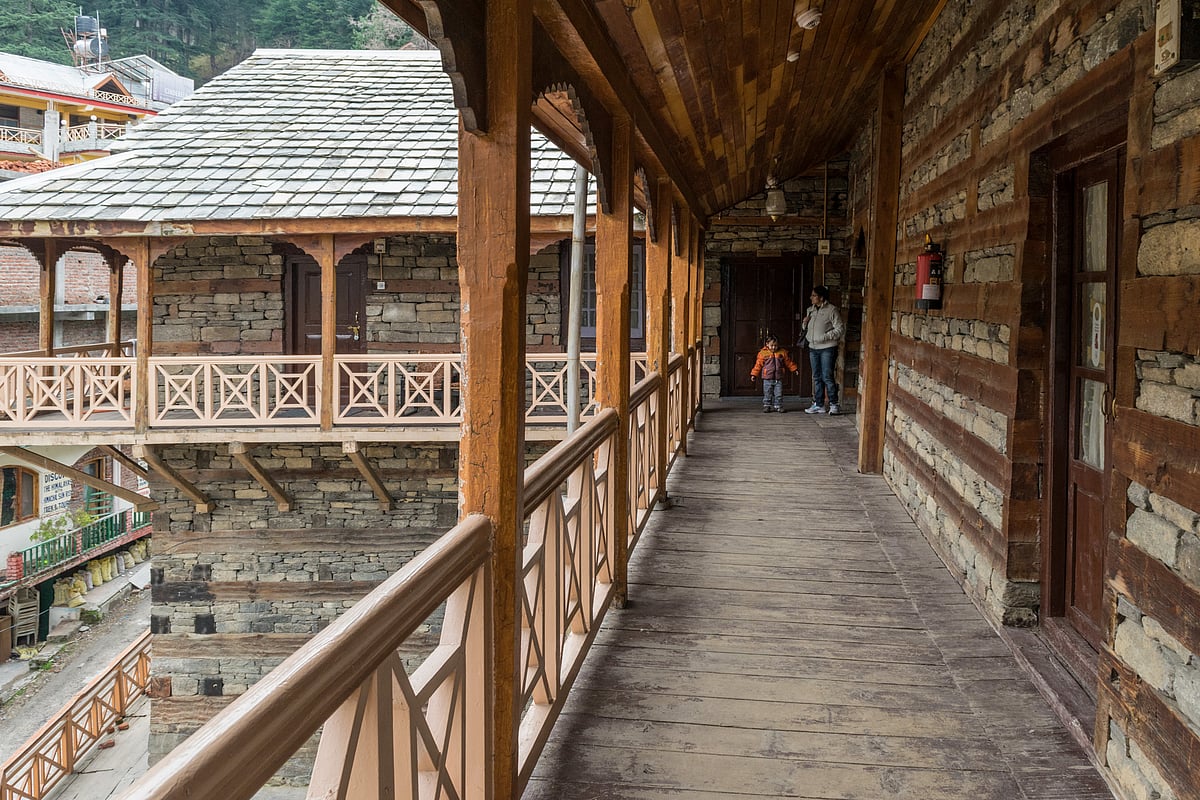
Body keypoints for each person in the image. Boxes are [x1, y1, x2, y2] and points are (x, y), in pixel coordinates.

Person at [801, 285, 845, 415]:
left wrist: (825, 337)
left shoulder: (832, 310)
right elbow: (805, 329)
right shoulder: (810, 310)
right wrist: (804, 323)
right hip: (813, 348)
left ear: (821, 297)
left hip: (827, 348)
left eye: (814, 295)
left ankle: (834, 404)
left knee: (827, 376)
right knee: (816, 377)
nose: (811, 298)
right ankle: (819, 404)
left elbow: (840, 329)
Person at [749, 335, 799, 413]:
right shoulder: (763, 353)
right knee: (767, 393)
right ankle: (767, 405)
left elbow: (788, 362)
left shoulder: (782, 352)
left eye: (775, 345)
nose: (773, 347)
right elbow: (758, 365)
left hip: (778, 378)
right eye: (771, 345)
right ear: (767, 344)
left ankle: (778, 406)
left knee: (779, 393)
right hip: (767, 378)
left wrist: (794, 369)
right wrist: (754, 374)